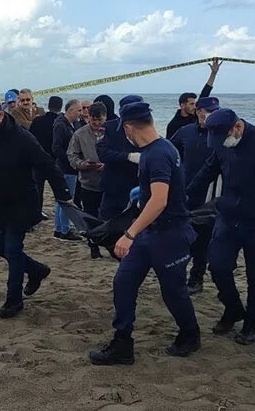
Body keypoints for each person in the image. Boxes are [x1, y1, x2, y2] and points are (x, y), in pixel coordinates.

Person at [89, 101, 200, 365]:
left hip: (170, 234)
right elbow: (153, 195)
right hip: (149, 232)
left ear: (129, 128)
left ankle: (190, 334)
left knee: (173, 291)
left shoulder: (159, 153)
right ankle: (122, 343)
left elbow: (160, 200)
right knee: (123, 282)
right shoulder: (156, 149)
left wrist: (129, 234)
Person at [187, 108, 255, 345]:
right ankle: (233, 308)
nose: (222, 143)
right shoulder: (221, 144)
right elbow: (207, 172)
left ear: (237, 127)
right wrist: (185, 198)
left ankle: (253, 320)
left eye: (224, 137)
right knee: (218, 266)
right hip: (228, 216)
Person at [0, 94, 72, 318]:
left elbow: (47, 164)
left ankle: (14, 300)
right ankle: (36, 270)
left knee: (13, 250)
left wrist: (63, 194)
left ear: (0, 115)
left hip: (23, 201)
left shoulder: (22, 137)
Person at [172, 96, 219, 294]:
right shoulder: (185, 132)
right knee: (180, 235)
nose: (211, 115)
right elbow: (169, 152)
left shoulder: (219, 134)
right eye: (208, 111)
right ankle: (177, 273)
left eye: (215, 112)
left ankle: (196, 277)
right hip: (184, 191)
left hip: (209, 195)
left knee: (202, 239)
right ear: (198, 112)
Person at [68, 102, 107, 258]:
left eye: (100, 120)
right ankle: (93, 246)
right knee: (90, 215)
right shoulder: (80, 134)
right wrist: (82, 164)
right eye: (93, 120)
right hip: (88, 182)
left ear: (105, 117)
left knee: (109, 214)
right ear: (88, 117)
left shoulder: (112, 131)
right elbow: (72, 155)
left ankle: (110, 244)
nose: (96, 123)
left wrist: (108, 165)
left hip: (109, 181)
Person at [97, 95, 143, 220]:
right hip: (114, 184)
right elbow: (102, 153)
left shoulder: (144, 128)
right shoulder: (107, 128)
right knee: (107, 220)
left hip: (137, 183)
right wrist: (127, 156)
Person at [165, 58, 222, 139]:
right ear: (182, 105)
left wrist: (213, 73)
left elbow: (205, 93)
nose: (195, 107)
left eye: (195, 104)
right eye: (191, 104)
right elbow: (170, 144)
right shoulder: (174, 124)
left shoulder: (196, 114)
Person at [51, 99, 83, 241]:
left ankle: (59, 229)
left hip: (68, 168)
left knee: (62, 200)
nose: (80, 113)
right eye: (79, 110)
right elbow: (56, 148)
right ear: (70, 111)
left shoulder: (71, 125)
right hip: (66, 168)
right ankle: (65, 229)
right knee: (67, 199)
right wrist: (71, 160)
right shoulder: (61, 126)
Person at [30, 96, 62, 219]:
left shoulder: (38, 121)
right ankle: (60, 215)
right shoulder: (60, 122)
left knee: (37, 188)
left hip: (38, 159)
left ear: (48, 106)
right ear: (60, 107)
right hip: (54, 161)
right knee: (58, 189)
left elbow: (31, 138)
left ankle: (36, 212)